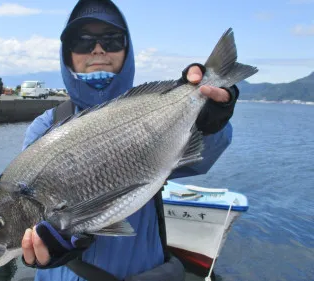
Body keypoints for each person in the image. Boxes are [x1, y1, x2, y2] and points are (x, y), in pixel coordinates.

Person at [21, 0, 239, 280]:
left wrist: (213, 119)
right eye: (82, 41)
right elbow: (27, 213)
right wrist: (44, 253)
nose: (97, 49)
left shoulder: (151, 107)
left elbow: (202, 158)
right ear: (66, 53)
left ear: (128, 50)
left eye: (111, 40)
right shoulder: (45, 128)